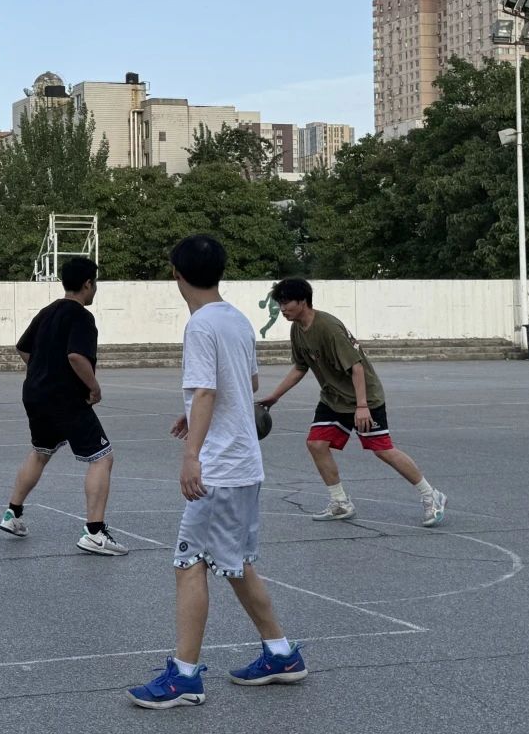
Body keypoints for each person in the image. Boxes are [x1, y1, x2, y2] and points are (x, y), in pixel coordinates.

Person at [129, 235, 306, 709]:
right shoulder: (237, 319)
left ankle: (184, 676)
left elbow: (208, 390)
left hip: (220, 468)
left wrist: (192, 454)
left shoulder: (201, 325)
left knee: (189, 562)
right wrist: (194, 413)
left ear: (176, 274)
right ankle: (281, 653)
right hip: (244, 464)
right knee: (235, 563)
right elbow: (245, 383)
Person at [258, 277, 446, 527]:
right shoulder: (297, 330)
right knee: (316, 443)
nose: (282, 309)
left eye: (286, 303)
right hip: (333, 398)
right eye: (280, 303)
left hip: (364, 397)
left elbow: (357, 367)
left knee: (382, 449)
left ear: (302, 301)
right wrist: (275, 396)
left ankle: (431, 495)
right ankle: (340, 502)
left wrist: (362, 406)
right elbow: (300, 367)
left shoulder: (328, 327)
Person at [0, 256, 126, 556]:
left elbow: (22, 348)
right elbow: (76, 356)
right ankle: (94, 532)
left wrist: (42, 370)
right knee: (102, 457)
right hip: (65, 397)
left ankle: (12, 513)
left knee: (41, 451)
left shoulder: (47, 311)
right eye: (95, 283)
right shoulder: (81, 317)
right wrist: (93, 387)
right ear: (88, 284)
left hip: (35, 394)